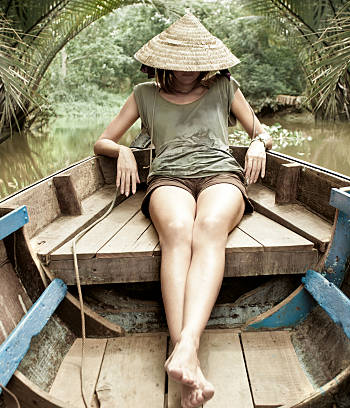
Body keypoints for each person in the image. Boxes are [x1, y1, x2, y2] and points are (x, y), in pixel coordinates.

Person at [93, 13, 272, 408]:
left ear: (206, 62)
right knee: (176, 230)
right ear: (163, 62)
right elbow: (102, 141)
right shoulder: (144, 94)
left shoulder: (225, 86)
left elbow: (260, 130)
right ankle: (187, 356)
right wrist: (123, 150)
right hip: (168, 178)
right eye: (178, 63)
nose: (186, 71)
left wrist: (259, 143)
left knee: (208, 227)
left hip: (220, 175)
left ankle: (184, 351)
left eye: (194, 64)